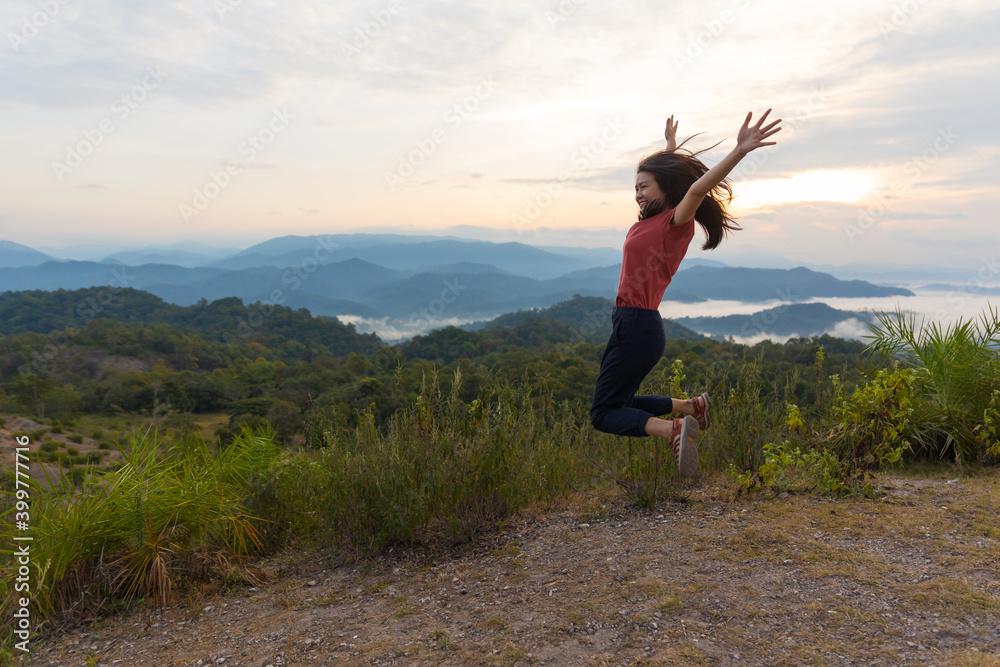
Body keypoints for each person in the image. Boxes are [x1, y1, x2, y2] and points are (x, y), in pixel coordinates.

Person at [590, 110, 782, 478]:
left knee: (603, 414)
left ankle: (673, 429)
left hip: (637, 325)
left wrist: (740, 150)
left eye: (644, 186)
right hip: (633, 325)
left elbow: (694, 188)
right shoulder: (652, 222)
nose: (638, 194)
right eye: (636, 188)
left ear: (666, 188)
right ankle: (692, 407)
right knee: (622, 402)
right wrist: (670, 149)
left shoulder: (676, 223)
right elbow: (676, 182)